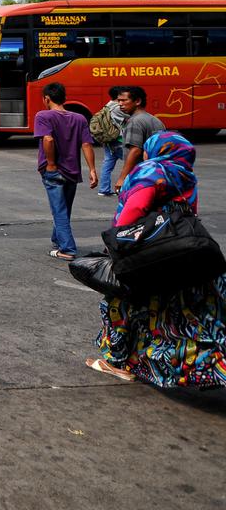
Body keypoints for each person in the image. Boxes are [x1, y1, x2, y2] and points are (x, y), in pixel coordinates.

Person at [87, 132, 226, 387]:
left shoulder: (150, 171)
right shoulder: (185, 174)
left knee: (122, 304)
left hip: (145, 250)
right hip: (178, 251)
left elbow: (134, 209)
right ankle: (203, 367)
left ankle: (117, 361)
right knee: (175, 314)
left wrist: (117, 245)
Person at [34, 82, 98, 260]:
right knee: (64, 208)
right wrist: (92, 169)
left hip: (54, 171)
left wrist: (51, 164)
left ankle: (67, 249)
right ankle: (57, 238)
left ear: (47, 99)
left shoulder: (43, 116)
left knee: (59, 210)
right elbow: (86, 144)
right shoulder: (79, 118)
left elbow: (47, 139)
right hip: (72, 171)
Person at [113, 85, 165, 192]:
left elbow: (135, 150)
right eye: (118, 101)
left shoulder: (135, 121)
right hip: (157, 174)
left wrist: (122, 178)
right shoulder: (156, 120)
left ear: (137, 101)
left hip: (141, 176)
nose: (120, 104)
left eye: (124, 100)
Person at [92, 86, 127, 196]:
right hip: (118, 139)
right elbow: (133, 116)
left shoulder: (108, 105)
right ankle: (125, 188)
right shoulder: (117, 108)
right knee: (131, 162)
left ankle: (104, 189)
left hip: (109, 139)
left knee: (107, 164)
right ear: (118, 96)